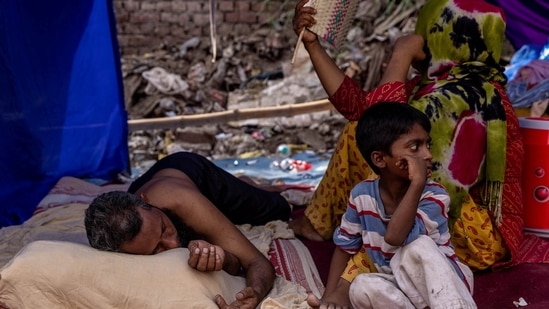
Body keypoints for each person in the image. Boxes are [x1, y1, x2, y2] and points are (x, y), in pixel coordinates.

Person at [290, 0, 539, 275]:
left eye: (430, 29)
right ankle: (322, 225)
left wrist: (401, 55)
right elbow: (356, 107)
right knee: (363, 131)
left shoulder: (473, 96)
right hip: (441, 214)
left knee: (367, 139)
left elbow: (378, 124)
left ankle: (331, 227)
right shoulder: (432, 86)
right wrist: (313, 46)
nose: (420, 38)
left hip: (475, 236)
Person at [85, 151, 293, 309]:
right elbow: (230, 262)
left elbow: (255, 261)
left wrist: (255, 292)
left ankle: (248, 184)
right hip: (150, 181)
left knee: (278, 209)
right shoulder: (126, 236)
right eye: (155, 250)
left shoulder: (182, 201)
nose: (174, 244)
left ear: (146, 202)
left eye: (164, 228)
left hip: (192, 171)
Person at [332, 101, 475, 308]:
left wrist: (417, 183)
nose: (427, 155)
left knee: (416, 247)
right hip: (399, 284)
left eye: (428, 145)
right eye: (415, 146)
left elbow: (395, 237)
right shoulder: (361, 195)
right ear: (380, 159)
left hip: (447, 286)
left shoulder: (435, 195)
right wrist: (331, 295)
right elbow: (345, 246)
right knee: (362, 287)